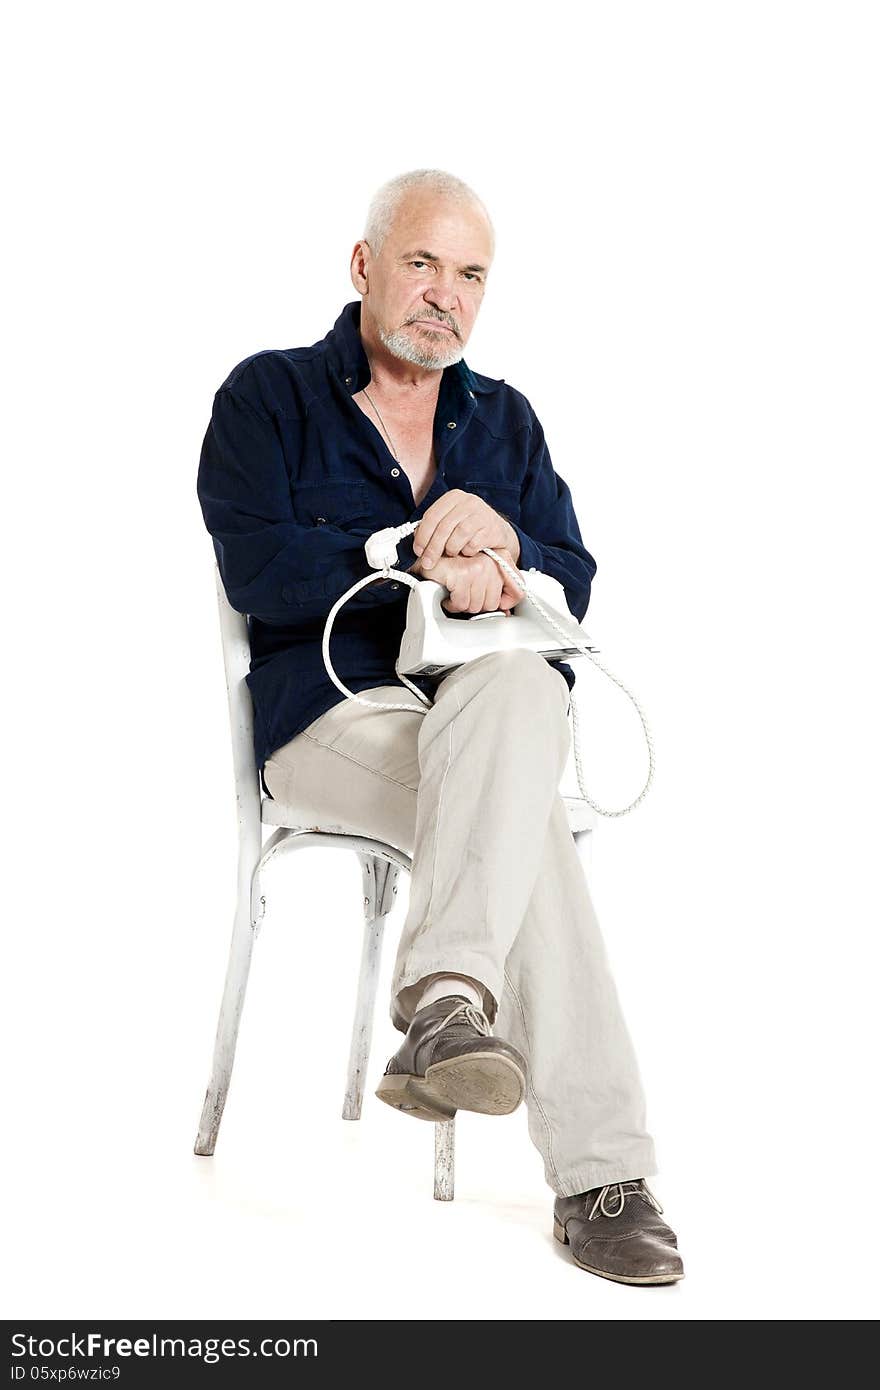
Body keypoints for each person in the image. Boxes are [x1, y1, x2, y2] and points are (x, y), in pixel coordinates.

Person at [196, 167, 683, 1286]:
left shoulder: (503, 421)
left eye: (470, 275)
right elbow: (260, 569)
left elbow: (575, 579)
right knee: (527, 837)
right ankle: (605, 1176)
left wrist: (504, 555)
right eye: (421, 263)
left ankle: (448, 1003)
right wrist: (408, 546)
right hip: (330, 717)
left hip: (481, 711)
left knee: (522, 690)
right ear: (365, 265)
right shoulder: (266, 398)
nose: (443, 296)